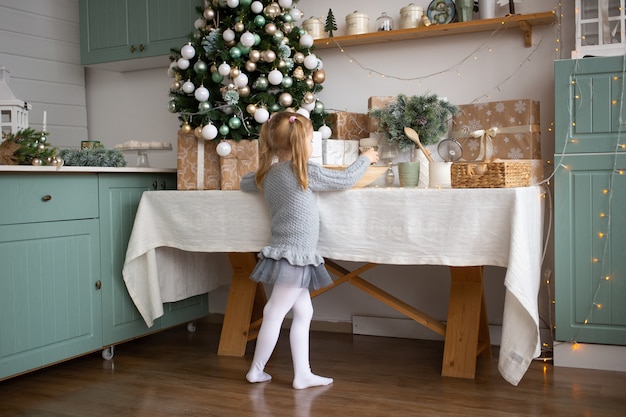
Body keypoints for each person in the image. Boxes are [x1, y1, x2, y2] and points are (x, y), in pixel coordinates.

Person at [240, 111, 379, 389]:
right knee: (275, 312)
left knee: (303, 313)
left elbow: (244, 182)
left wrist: (261, 172)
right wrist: (366, 158)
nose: (312, 145)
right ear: (300, 143)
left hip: (286, 250)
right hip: (296, 252)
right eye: (310, 140)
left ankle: (302, 374)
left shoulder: (267, 175)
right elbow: (344, 180)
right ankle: (256, 370)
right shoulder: (304, 171)